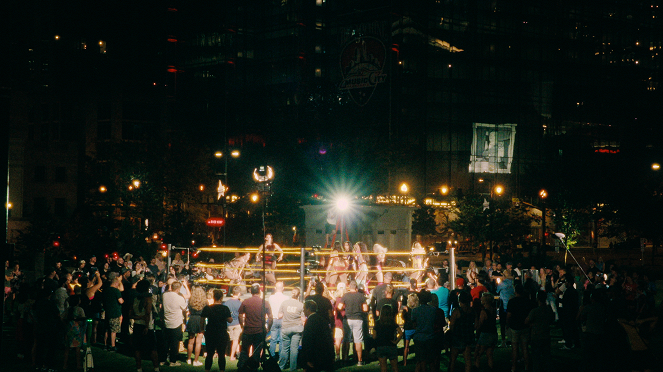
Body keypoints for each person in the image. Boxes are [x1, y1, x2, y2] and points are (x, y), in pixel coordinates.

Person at [131, 279, 160, 372]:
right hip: (146, 326)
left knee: (137, 348)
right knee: (152, 348)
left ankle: (139, 368)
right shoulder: (148, 299)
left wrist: (138, 317)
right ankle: (156, 368)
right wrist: (147, 326)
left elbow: (130, 314)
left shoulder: (135, 298)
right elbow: (148, 313)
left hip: (137, 325)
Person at [201, 289, 233, 372]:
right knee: (221, 354)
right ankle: (222, 370)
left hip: (210, 332)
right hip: (221, 332)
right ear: (221, 297)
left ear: (213, 297)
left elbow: (202, 320)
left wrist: (202, 329)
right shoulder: (225, 308)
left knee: (209, 354)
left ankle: (207, 370)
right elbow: (230, 320)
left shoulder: (208, 308)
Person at [239, 283, 273, 360]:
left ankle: (243, 367)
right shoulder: (265, 302)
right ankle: (254, 367)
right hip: (259, 331)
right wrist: (268, 328)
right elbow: (270, 317)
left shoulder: (245, 302)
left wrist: (242, 326)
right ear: (259, 291)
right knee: (257, 352)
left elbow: (240, 315)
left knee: (244, 351)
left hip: (248, 330)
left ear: (251, 292)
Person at [338, 280, 368, 366]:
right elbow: (365, 309)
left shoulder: (345, 295)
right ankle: (359, 360)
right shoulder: (361, 296)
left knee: (346, 339)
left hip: (347, 319)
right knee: (358, 340)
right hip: (358, 318)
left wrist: (345, 308)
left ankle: (344, 359)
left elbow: (339, 307)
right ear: (356, 287)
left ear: (349, 286)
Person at [301, 300, 335, 372]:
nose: (303, 311)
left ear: (308, 309)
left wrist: (307, 358)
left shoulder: (310, 322)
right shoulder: (323, 320)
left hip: (314, 356)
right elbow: (329, 338)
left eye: (304, 309)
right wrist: (332, 354)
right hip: (325, 354)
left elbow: (307, 341)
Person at [526, 291, 554, 372]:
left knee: (536, 357)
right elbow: (552, 319)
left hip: (536, 336)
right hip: (546, 335)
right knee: (546, 356)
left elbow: (526, 321)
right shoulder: (548, 309)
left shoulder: (535, 311)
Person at [507, 284, 533, 372]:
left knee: (514, 348)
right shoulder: (527, 301)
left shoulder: (512, 301)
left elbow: (509, 315)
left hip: (514, 327)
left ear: (515, 291)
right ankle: (527, 366)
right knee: (525, 347)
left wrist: (507, 324)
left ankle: (513, 367)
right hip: (525, 326)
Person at [448, 291, 475, 372]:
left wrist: (451, 333)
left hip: (457, 337)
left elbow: (452, 325)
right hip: (467, 337)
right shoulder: (472, 311)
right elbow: (476, 324)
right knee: (468, 360)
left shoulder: (456, 311)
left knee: (453, 360)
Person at [278, 287, 304, 371]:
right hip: (296, 328)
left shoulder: (284, 303)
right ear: (299, 295)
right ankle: (293, 368)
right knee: (294, 349)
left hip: (286, 327)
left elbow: (279, 315)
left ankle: (281, 366)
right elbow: (303, 319)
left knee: (285, 348)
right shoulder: (301, 305)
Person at [163, 280, 187, 366]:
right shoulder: (179, 298)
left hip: (166, 321)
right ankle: (173, 361)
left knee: (166, 342)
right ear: (178, 289)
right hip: (176, 322)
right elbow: (184, 308)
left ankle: (163, 359)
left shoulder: (165, 295)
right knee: (174, 343)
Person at [374, 304, 403, 372]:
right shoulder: (392, 323)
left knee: (383, 368)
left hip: (381, 346)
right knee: (395, 367)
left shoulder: (378, 323)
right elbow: (401, 333)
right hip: (391, 345)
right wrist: (396, 341)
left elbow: (374, 336)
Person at [474, 293, 498, 372]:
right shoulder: (493, 310)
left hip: (485, 334)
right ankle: (490, 367)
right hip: (493, 333)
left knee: (478, 352)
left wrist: (477, 330)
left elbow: (480, 324)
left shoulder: (483, 312)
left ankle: (476, 367)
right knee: (489, 353)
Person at [62, 295, 87, 371]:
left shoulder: (68, 309)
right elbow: (83, 319)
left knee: (67, 348)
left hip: (69, 330)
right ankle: (78, 365)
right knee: (77, 348)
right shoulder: (79, 309)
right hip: (77, 330)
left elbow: (62, 318)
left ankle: (64, 365)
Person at [186, 285, 207, 366]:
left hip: (192, 319)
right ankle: (195, 360)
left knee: (190, 341)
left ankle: (188, 359)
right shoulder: (204, 302)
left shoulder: (190, 301)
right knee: (198, 342)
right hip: (200, 319)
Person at [103, 271, 124, 352]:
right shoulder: (116, 291)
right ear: (116, 284)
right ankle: (112, 345)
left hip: (107, 312)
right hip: (115, 313)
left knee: (107, 329)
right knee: (113, 330)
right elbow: (121, 301)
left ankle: (105, 345)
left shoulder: (106, 290)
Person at [268, 281, 288, 358]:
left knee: (273, 339)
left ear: (275, 288)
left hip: (274, 319)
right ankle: (281, 356)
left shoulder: (271, 297)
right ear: (283, 288)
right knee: (282, 340)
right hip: (282, 319)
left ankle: (272, 356)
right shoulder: (286, 298)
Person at [224, 286, 243, 360]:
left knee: (230, 339)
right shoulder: (240, 303)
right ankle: (232, 356)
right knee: (235, 340)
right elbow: (241, 315)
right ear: (238, 293)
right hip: (237, 323)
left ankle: (235, 353)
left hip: (229, 323)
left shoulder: (227, 302)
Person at [401, 293, 419, 366]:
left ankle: (404, 362)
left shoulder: (406, 309)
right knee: (417, 346)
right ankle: (417, 361)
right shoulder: (417, 309)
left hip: (407, 328)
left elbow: (402, 317)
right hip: (415, 328)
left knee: (406, 346)